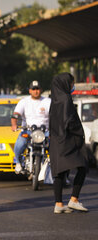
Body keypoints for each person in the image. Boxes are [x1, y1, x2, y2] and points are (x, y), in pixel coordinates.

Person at [49, 72, 88, 214]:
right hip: (68, 140)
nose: (72, 86)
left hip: (56, 141)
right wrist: (79, 133)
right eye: (71, 83)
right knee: (83, 166)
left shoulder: (54, 100)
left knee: (60, 172)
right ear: (66, 83)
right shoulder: (66, 99)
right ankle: (74, 199)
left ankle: (58, 204)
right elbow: (69, 121)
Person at [11, 80, 51, 174]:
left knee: (56, 147)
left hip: (45, 131)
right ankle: (18, 162)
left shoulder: (48, 101)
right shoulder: (24, 101)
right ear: (30, 91)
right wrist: (14, 125)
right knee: (19, 144)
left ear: (41, 90)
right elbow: (16, 114)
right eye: (33, 89)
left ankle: (57, 170)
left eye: (37, 89)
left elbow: (55, 115)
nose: (35, 91)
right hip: (28, 131)